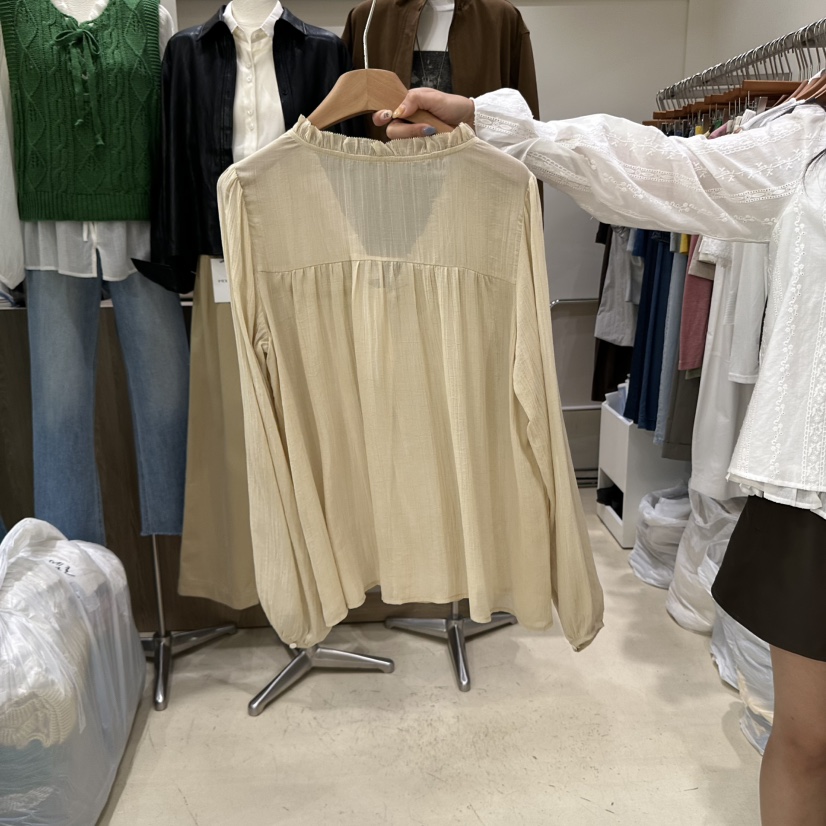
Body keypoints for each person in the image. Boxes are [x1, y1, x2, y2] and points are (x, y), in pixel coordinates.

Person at [374, 88, 826, 826]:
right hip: (814, 481)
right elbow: (662, 169)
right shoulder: (807, 147)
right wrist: (492, 123)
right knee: (808, 741)